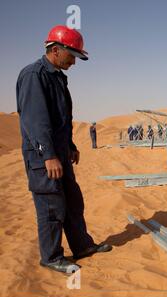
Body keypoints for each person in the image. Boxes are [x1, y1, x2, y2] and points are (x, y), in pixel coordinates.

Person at [16, 25, 112, 274]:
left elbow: (61, 119)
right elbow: (35, 121)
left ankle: (82, 246)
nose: (75, 62)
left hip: (60, 154)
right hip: (43, 158)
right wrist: (48, 154)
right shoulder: (33, 75)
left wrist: (69, 145)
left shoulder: (57, 77)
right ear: (56, 50)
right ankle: (51, 257)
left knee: (72, 201)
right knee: (51, 205)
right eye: (73, 55)